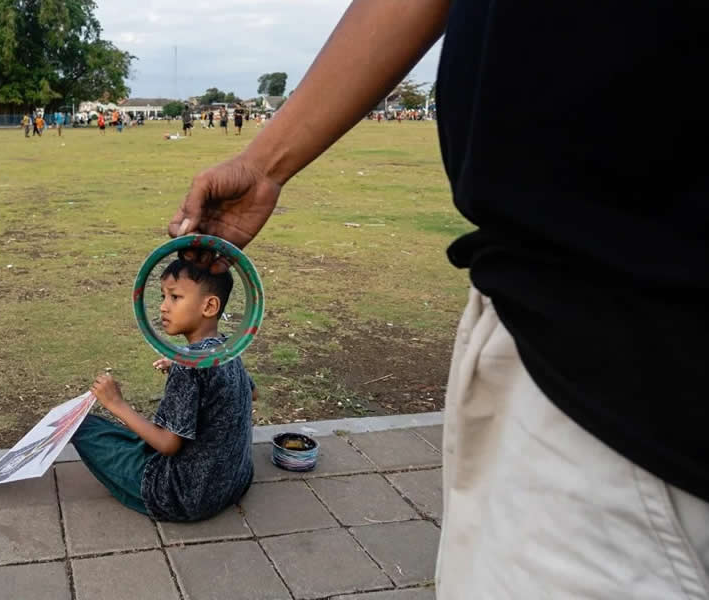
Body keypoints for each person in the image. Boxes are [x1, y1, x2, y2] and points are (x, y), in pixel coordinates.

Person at [168, 2, 709, 598]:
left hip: (625, 380)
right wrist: (263, 166)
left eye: (173, 296)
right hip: (552, 325)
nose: (167, 307)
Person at [71, 258, 255, 521]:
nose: (163, 307)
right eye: (163, 296)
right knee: (134, 438)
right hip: (234, 482)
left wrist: (115, 403)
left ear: (209, 306)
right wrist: (181, 366)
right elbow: (251, 392)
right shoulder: (227, 347)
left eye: (175, 297)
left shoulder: (188, 366)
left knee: (82, 426)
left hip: (182, 497)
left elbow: (168, 445)